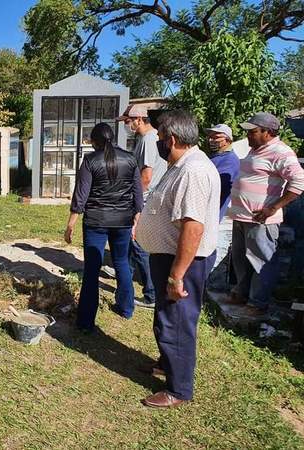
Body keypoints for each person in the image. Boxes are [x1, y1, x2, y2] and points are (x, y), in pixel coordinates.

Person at [135, 110, 220, 408]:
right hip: (169, 258)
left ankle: (178, 388)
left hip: (182, 263)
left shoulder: (193, 171)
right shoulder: (181, 164)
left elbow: (193, 227)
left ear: (171, 139)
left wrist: (177, 274)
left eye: (160, 139)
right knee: (166, 317)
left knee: (177, 323)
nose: (158, 143)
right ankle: (166, 364)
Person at [65, 122, 143, 330]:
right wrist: (136, 217)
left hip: (96, 222)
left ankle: (86, 321)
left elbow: (81, 194)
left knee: (92, 269)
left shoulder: (91, 160)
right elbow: (137, 192)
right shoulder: (130, 158)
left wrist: (71, 223)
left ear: (94, 141)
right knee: (122, 263)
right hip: (122, 221)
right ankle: (126, 308)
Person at [227, 112, 304, 316]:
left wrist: (273, 207)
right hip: (242, 216)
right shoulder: (256, 149)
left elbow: (299, 183)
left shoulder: (281, 152)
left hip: (261, 219)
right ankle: (241, 293)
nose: (248, 136)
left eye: (252, 132)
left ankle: (257, 303)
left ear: (268, 132)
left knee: (262, 260)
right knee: (241, 259)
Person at [117, 105, 167, 309]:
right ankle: (125, 272)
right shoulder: (151, 137)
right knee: (131, 241)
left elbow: (146, 176)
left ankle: (151, 293)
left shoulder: (148, 139)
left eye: (128, 121)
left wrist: (133, 199)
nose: (127, 125)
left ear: (139, 119)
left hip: (145, 198)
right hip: (148, 197)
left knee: (138, 244)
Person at [204, 124, 241, 273]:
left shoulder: (230, 160)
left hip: (213, 214)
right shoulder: (215, 157)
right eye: (210, 136)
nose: (211, 139)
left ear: (227, 140)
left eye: (216, 136)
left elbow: (220, 187)